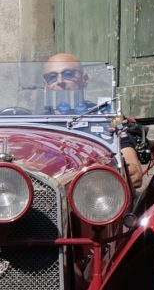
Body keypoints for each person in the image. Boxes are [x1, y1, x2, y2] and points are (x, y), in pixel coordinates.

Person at [43, 53, 144, 189]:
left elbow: (133, 172)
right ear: (45, 85)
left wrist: (130, 170)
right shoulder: (33, 123)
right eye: (52, 77)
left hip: (96, 189)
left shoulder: (109, 117)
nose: (60, 81)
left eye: (68, 74)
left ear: (84, 80)